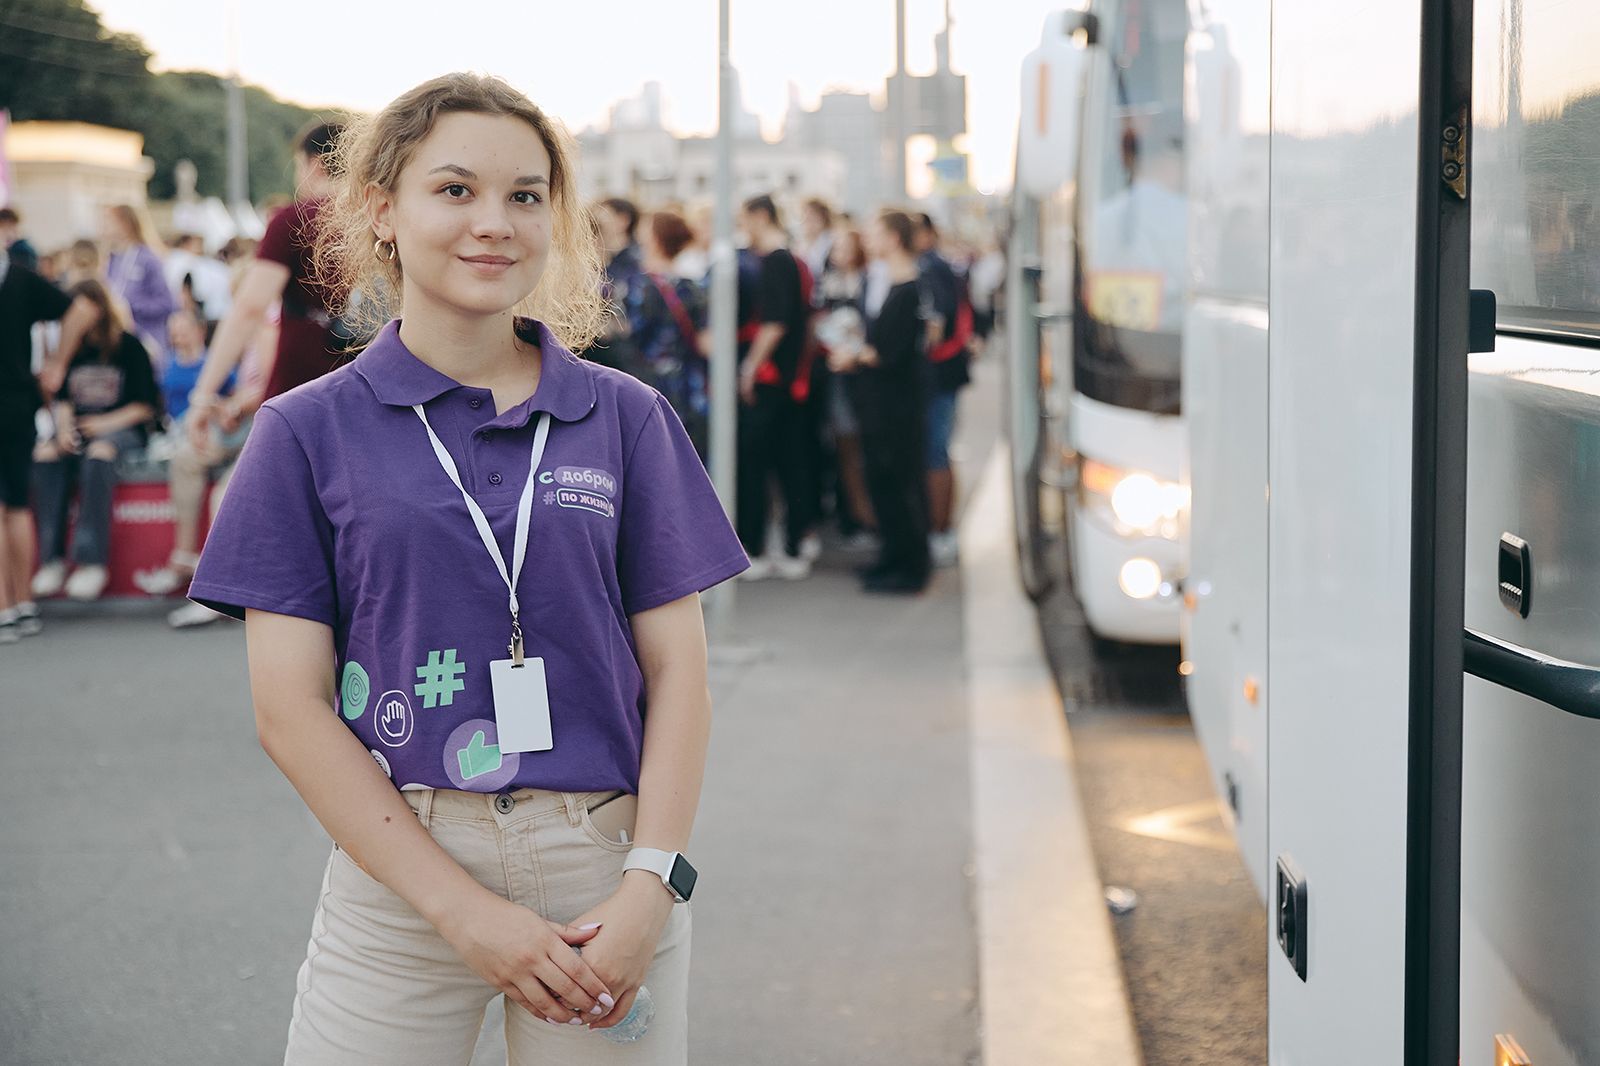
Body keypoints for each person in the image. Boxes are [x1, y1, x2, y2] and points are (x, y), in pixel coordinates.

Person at [185, 73, 747, 1062]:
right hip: (401, 875)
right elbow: (289, 710)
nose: (494, 223)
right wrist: (459, 912)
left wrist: (652, 884)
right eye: (455, 190)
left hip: (605, 874)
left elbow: (680, 675)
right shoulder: (304, 431)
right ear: (380, 212)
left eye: (525, 195)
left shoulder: (626, 418)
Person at [185, 119, 347, 445]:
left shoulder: (295, 219)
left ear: (314, 164)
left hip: (303, 385)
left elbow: (249, 308)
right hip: (372, 384)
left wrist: (203, 397)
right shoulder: (383, 217)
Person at [30, 280, 161, 603]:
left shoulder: (128, 346)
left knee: (99, 455)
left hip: (121, 430)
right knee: (45, 456)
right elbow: (61, 401)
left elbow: (145, 406)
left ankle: (91, 561)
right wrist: (62, 433)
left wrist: (101, 424)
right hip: (78, 430)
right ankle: (52, 559)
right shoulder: (70, 351)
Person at [832, 209, 930, 594]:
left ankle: (911, 567)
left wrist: (855, 356)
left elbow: (893, 350)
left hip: (899, 405)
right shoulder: (882, 280)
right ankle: (891, 557)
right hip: (876, 401)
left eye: (874, 232)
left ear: (893, 237)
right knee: (882, 481)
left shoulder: (910, 286)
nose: (866, 239)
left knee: (903, 482)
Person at [0, 254, 96, 641]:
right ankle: (21, 604)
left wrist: (56, 363)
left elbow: (82, 309)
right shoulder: (19, 277)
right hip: (20, 402)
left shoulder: (20, 278)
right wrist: (55, 364)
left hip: (15, 401)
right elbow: (83, 309)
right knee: (19, 505)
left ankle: (5, 609)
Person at [735, 194, 814, 580]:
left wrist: (750, 367)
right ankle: (788, 542)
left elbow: (775, 323)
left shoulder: (776, 261)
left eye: (745, 218)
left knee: (767, 463)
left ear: (760, 216)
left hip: (773, 380)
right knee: (786, 461)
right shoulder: (786, 259)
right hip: (785, 380)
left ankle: (766, 545)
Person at [912, 212, 971, 569]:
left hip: (938, 374)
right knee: (937, 450)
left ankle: (942, 530)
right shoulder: (938, 265)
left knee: (936, 451)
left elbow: (937, 323)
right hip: (944, 373)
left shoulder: (931, 267)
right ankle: (941, 529)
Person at [625, 210, 709, 457]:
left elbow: (629, 334)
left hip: (645, 382)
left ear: (655, 239)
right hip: (687, 385)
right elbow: (706, 344)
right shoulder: (693, 286)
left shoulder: (639, 285)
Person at [813, 225, 875, 543]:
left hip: (863, 378)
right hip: (836, 376)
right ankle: (855, 515)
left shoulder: (869, 282)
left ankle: (867, 517)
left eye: (845, 246)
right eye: (835, 247)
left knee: (860, 447)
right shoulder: (826, 284)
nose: (840, 253)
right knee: (844, 444)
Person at [103, 204, 178, 359]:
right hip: (120, 337)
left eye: (110, 221)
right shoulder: (113, 259)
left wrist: (131, 306)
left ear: (125, 223)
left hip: (146, 338)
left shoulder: (148, 259)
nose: (105, 226)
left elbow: (167, 303)